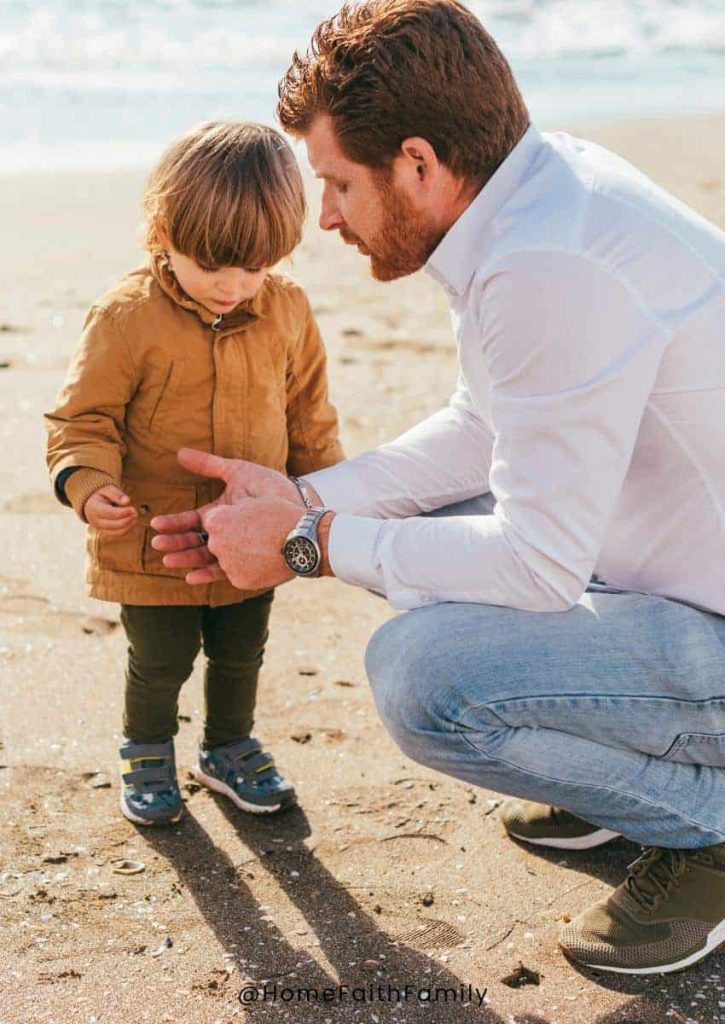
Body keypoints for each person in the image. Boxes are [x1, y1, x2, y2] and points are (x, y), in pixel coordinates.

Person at [150, 0, 725, 975]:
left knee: (427, 680)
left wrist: (305, 544)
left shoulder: (543, 263)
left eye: (335, 184)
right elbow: (477, 433)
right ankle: (628, 783)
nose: (321, 216)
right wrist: (304, 499)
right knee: (401, 535)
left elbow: (536, 565)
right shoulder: (535, 196)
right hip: (681, 577)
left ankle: (702, 827)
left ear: (417, 163)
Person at [44, 121, 343, 827]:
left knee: (242, 653)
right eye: (212, 264)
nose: (233, 286)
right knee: (161, 661)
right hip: (155, 544)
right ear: (161, 233)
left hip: (254, 537)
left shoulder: (288, 311)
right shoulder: (125, 317)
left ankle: (227, 746)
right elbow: (81, 420)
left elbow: (310, 418)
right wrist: (88, 488)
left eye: (256, 266)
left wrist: (329, 505)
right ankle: (147, 748)